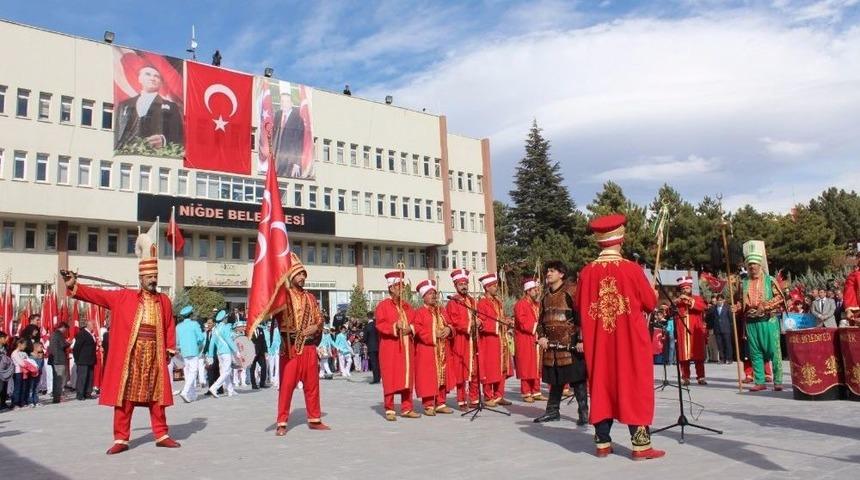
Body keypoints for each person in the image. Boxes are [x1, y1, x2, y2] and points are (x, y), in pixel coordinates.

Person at [62, 231, 180, 454]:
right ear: (141, 279)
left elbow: (168, 326)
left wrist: (169, 348)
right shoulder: (123, 298)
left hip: (154, 355)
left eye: (155, 276)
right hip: (132, 356)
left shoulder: (163, 300)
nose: (153, 280)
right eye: (149, 277)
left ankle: (162, 434)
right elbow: (97, 295)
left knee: (158, 399)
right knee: (124, 398)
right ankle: (121, 439)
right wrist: (74, 286)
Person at [577, 213, 665, 460]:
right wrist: (654, 294)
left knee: (601, 385)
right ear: (620, 239)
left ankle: (602, 443)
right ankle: (640, 446)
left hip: (599, 342)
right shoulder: (632, 270)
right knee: (633, 385)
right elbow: (649, 303)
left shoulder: (586, 273)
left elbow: (580, 307)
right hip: (629, 341)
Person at [250, 251, 329, 436]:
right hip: (290, 348)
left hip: (309, 347)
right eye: (298, 274)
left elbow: (319, 319)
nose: (302, 278)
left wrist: (316, 327)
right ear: (291, 275)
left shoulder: (311, 298)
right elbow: (267, 307)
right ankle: (282, 422)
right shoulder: (282, 296)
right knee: (286, 387)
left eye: (303, 274)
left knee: (313, 386)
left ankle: (315, 419)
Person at [535, 261, 588, 426]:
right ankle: (552, 411)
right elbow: (541, 321)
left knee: (577, 379)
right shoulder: (545, 296)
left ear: (561, 274)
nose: (548, 274)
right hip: (552, 346)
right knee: (555, 379)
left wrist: (581, 339)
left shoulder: (571, 292)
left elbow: (582, 318)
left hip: (570, 343)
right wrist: (542, 336)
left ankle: (584, 413)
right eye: (548, 271)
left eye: (552, 271)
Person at [736, 245, 786, 392]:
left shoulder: (770, 280)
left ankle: (777, 381)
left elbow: (780, 298)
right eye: (750, 264)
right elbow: (740, 301)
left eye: (755, 264)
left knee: (774, 352)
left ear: (760, 265)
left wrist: (766, 305)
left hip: (768, 321)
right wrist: (737, 307)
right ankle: (760, 381)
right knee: (755, 352)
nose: (752, 267)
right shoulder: (743, 282)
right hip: (751, 322)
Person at [375, 270, 419, 421]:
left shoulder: (408, 307)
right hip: (391, 348)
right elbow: (380, 325)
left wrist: (410, 328)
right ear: (391, 288)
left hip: (407, 348)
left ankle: (407, 408)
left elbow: (416, 323)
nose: (402, 288)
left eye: (403, 285)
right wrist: (395, 326)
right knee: (390, 377)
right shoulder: (383, 306)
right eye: (399, 286)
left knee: (407, 378)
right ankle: (389, 408)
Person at [114, 64, 184, 153]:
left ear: (161, 82)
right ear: (139, 79)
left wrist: (164, 140)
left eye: (156, 76)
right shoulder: (125, 105)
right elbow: (118, 129)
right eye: (148, 74)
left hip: (156, 154)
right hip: (127, 153)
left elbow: (178, 133)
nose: (152, 78)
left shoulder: (171, 107)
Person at [412, 279, 456, 416]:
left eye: (434, 293)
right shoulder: (419, 312)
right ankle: (429, 404)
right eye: (430, 293)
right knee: (428, 378)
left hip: (443, 349)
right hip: (427, 350)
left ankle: (441, 402)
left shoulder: (442, 310)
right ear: (423, 296)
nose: (433, 296)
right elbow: (418, 330)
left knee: (443, 377)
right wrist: (433, 334)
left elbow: (451, 324)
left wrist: (449, 329)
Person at [476, 273, 514, 407]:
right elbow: (482, 323)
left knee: (502, 368)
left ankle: (499, 395)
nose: (496, 287)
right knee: (490, 368)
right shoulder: (482, 303)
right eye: (493, 285)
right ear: (486, 287)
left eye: (496, 285)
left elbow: (501, 317)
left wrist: (507, 321)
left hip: (501, 339)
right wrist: (499, 323)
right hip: (490, 340)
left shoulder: (498, 302)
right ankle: (488, 396)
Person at [446, 268, 480, 411]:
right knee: (461, 371)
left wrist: (479, 322)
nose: (464, 286)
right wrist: (469, 324)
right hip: (460, 341)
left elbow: (479, 317)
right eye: (461, 284)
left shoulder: (472, 301)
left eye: (465, 283)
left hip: (473, 340)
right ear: (455, 286)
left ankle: (474, 399)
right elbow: (453, 321)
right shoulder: (453, 302)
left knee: (474, 371)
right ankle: (461, 400)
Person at [513, 277, 545, 403]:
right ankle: (526, 392)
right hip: (525, 339)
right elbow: (523, 322)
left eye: (537, 289)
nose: (537, 292)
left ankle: (536, 391)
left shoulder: (537, 304)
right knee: (527, 366)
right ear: (528, 291)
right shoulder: (521, 304)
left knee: (536, 365)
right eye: (534, 290)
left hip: (536, 338)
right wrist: (538, 327)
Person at [673, 276, 708, 385]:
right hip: (682, 332)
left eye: (687, 288)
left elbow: (702, 307)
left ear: (691, 288)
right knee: (684, 356)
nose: (685, 290)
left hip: (695, 331)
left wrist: (688, 300)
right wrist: (674, 304)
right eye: (683, 289)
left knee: (698, 355)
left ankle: (701, 377)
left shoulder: (697, 298)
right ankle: (685, 377)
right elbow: (670, 313)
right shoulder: (678, 302)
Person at [176, 306, 204, 402]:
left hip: (183, 352)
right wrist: (198, 344)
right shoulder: (194, 324)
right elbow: (201, 338)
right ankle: (185, 391)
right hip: (193, 351)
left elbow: (177, 342)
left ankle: (191, 395)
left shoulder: (178, 327)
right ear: (191, 315)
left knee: (187, 373)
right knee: (193, 372)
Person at [207, 310, 237, 398]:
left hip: (219, 353)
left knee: (225, 371)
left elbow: (212, 343)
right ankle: (214, 387)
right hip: (226, 352)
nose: (227, 319)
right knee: (227, 371)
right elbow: (228, 340)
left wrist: (210, 355)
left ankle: (230, 390)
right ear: (224, 319)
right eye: (226, 318)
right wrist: (236, 350)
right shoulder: (225, 327)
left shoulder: (215, 329)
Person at [72, 319, 98, 400]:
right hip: (82, 360)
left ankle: (88, 393)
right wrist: (77, 359)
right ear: (89, 325)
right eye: (93, 325)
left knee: (90, 377)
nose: (94, 326)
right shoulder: (82, 334)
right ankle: (80, 394)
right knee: (82, 377)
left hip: (90, 359)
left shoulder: (91, 334)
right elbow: (76, 348)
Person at [48, 322, 70, 403]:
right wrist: (69, 343)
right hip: (59, 359)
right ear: (63, 327)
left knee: (56, 379)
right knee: (60, 379)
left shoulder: (54, 334)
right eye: (66, 329)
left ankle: (56, 396)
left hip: (54, 359)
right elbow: (63, 345)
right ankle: (59, 396)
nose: (66, 331)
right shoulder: (59, 334)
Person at [710, 295, 734, 364]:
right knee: (720, 345)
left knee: (727, 344)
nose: (719, 301)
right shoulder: (714, 308)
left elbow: (730, 318)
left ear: (723, 300)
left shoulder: (727, 308)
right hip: (717, 329)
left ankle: (729, 359)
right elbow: (711, 318)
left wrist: (731, 328)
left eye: (720, 300)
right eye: (718, 300)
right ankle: (722, 358)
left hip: (726, 329)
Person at [249, 321, 269, 389]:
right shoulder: (249, 330)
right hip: (252, 353)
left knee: (264, 366)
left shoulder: (261, 329)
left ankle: (262, 383)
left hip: (261, 353)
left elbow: (264, 341)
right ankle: (253, 384)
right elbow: (246, 342)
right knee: (252, 369)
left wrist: (266, 351)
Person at [362, 315, 380, 383]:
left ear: (367, 317)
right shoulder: (377, 325)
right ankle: (379, 377)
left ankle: (376, 379)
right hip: (378, 346)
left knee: (374, 363)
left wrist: (363, 341)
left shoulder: (367, 326)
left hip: (371, 347)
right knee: (378, 363)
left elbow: (365, 338)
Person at [27, 341, 45, 407]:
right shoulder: (30, 357)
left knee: (36, 387)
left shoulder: (40, 356)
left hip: (38, 374)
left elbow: (41, 367)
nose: (42, 348)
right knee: (31, 388)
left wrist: (40, 359)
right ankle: (30, 401)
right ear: (35, 348)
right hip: (32, 375)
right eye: (40, 347)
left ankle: (36, 401)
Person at [263, 319, 281, 388]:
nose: (269, 327)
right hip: (269, 351)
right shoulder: (265, 332)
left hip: (277, 350)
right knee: (270, 366)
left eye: (271, 326)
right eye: (268, 326)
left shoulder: (276, 331)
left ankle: (276, 380)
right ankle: (270, 379)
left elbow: (279, 340)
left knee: (277, 366)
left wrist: (279, 349)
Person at [843, 258, 860, 326]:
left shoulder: (854, 275)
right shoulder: (856, 275)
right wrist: (848, 310)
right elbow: (851, 292)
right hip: (856, 308)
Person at [0, 331, 12, 410]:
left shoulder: (5, 347)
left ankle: (3, 403)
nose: (6, 339)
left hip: (5, 370)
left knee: (4, 387)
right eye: (4, 338)